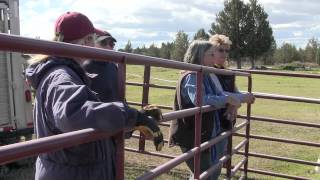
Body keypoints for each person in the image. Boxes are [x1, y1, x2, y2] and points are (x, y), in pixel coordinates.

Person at [25, 12, 164, 180]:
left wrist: (136, 118)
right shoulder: (61, 76)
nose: (103, 47)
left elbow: (94, 116)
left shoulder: (69, 72)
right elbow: (72, 113)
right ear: (86, 42)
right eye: (95, 39)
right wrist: (133, 116)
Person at [169, 40, 241, 180]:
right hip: (193, 134)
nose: (215, 57)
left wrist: (231, 101)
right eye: (211, 54)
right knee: (205, 173)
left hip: (205, 131)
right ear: (200, 55)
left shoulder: (206, 74)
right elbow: (199, 99)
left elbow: (218, 95)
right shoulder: (192, 75)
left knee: (209, 172)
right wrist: (227, 100)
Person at [209, 34, 255, 130]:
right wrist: (243, 98)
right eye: (221, 50)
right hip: (214, 119)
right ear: (212, 52)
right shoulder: (209, 71)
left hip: (226, 118)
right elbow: (220, 93)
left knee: (224, 143)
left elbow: (235, 91)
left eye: (227, 51)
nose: (224, 54)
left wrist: (235, 103)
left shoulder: (226, 72)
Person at [82, 28, 119, 102]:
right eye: (103, 43)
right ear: (93, 44)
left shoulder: (113, 67)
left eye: (111, 44)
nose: (108, 47)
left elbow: (118, 95)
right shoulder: (85, 67)